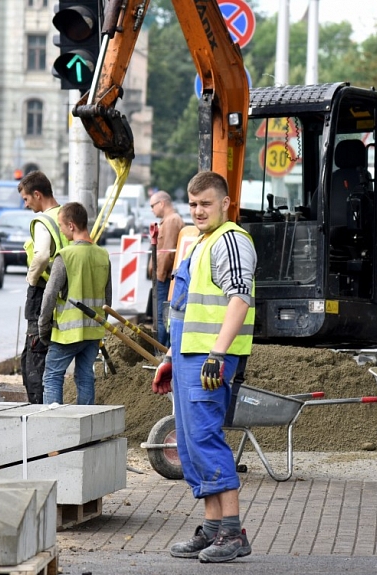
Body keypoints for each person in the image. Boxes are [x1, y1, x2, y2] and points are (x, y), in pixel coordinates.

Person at [151, 171, 257, 563]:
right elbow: (183, 309)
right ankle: (213, 529)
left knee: (207, 440)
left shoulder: (230, 241)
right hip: (188, 356)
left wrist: (217, 353)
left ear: (226, 204)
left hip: (209, 359)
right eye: (193, 204)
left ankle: (232, 532)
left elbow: (240, 298)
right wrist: (169, 358)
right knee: (192, 442)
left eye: (206, 204)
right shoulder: (202, 242)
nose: (198, 211)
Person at [38, 202, 112, 405]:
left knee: (52, 377)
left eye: (61, 226)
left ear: (71, 225)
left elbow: (49, 295)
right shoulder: (103, 255)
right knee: (85, 376)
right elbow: (108, 299)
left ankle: (53, 427)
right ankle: (86, 427)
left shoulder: (66, 256)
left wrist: (43, 329)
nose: (61, 231)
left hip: (67, 334)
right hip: (93, 332)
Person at [18, 171, 68, 404]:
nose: (26, 205)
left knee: (34, 356)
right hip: (65, 293)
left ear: (37, 194)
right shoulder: (66, 215)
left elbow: (41, 256)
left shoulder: (43, 221)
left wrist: (31, 280)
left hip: (42, 290)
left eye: (27, 199)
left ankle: (38, 408)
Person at [147, 190, 185, 348]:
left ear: (161, 203)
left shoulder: (171, 221)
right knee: (163, 315)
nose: (151, 209)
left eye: (152, 206)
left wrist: (159, 276)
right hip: (165, 277)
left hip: (165, 278)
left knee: (162, 316)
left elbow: (168, 254)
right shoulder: (169, 220)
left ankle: (161, 350)